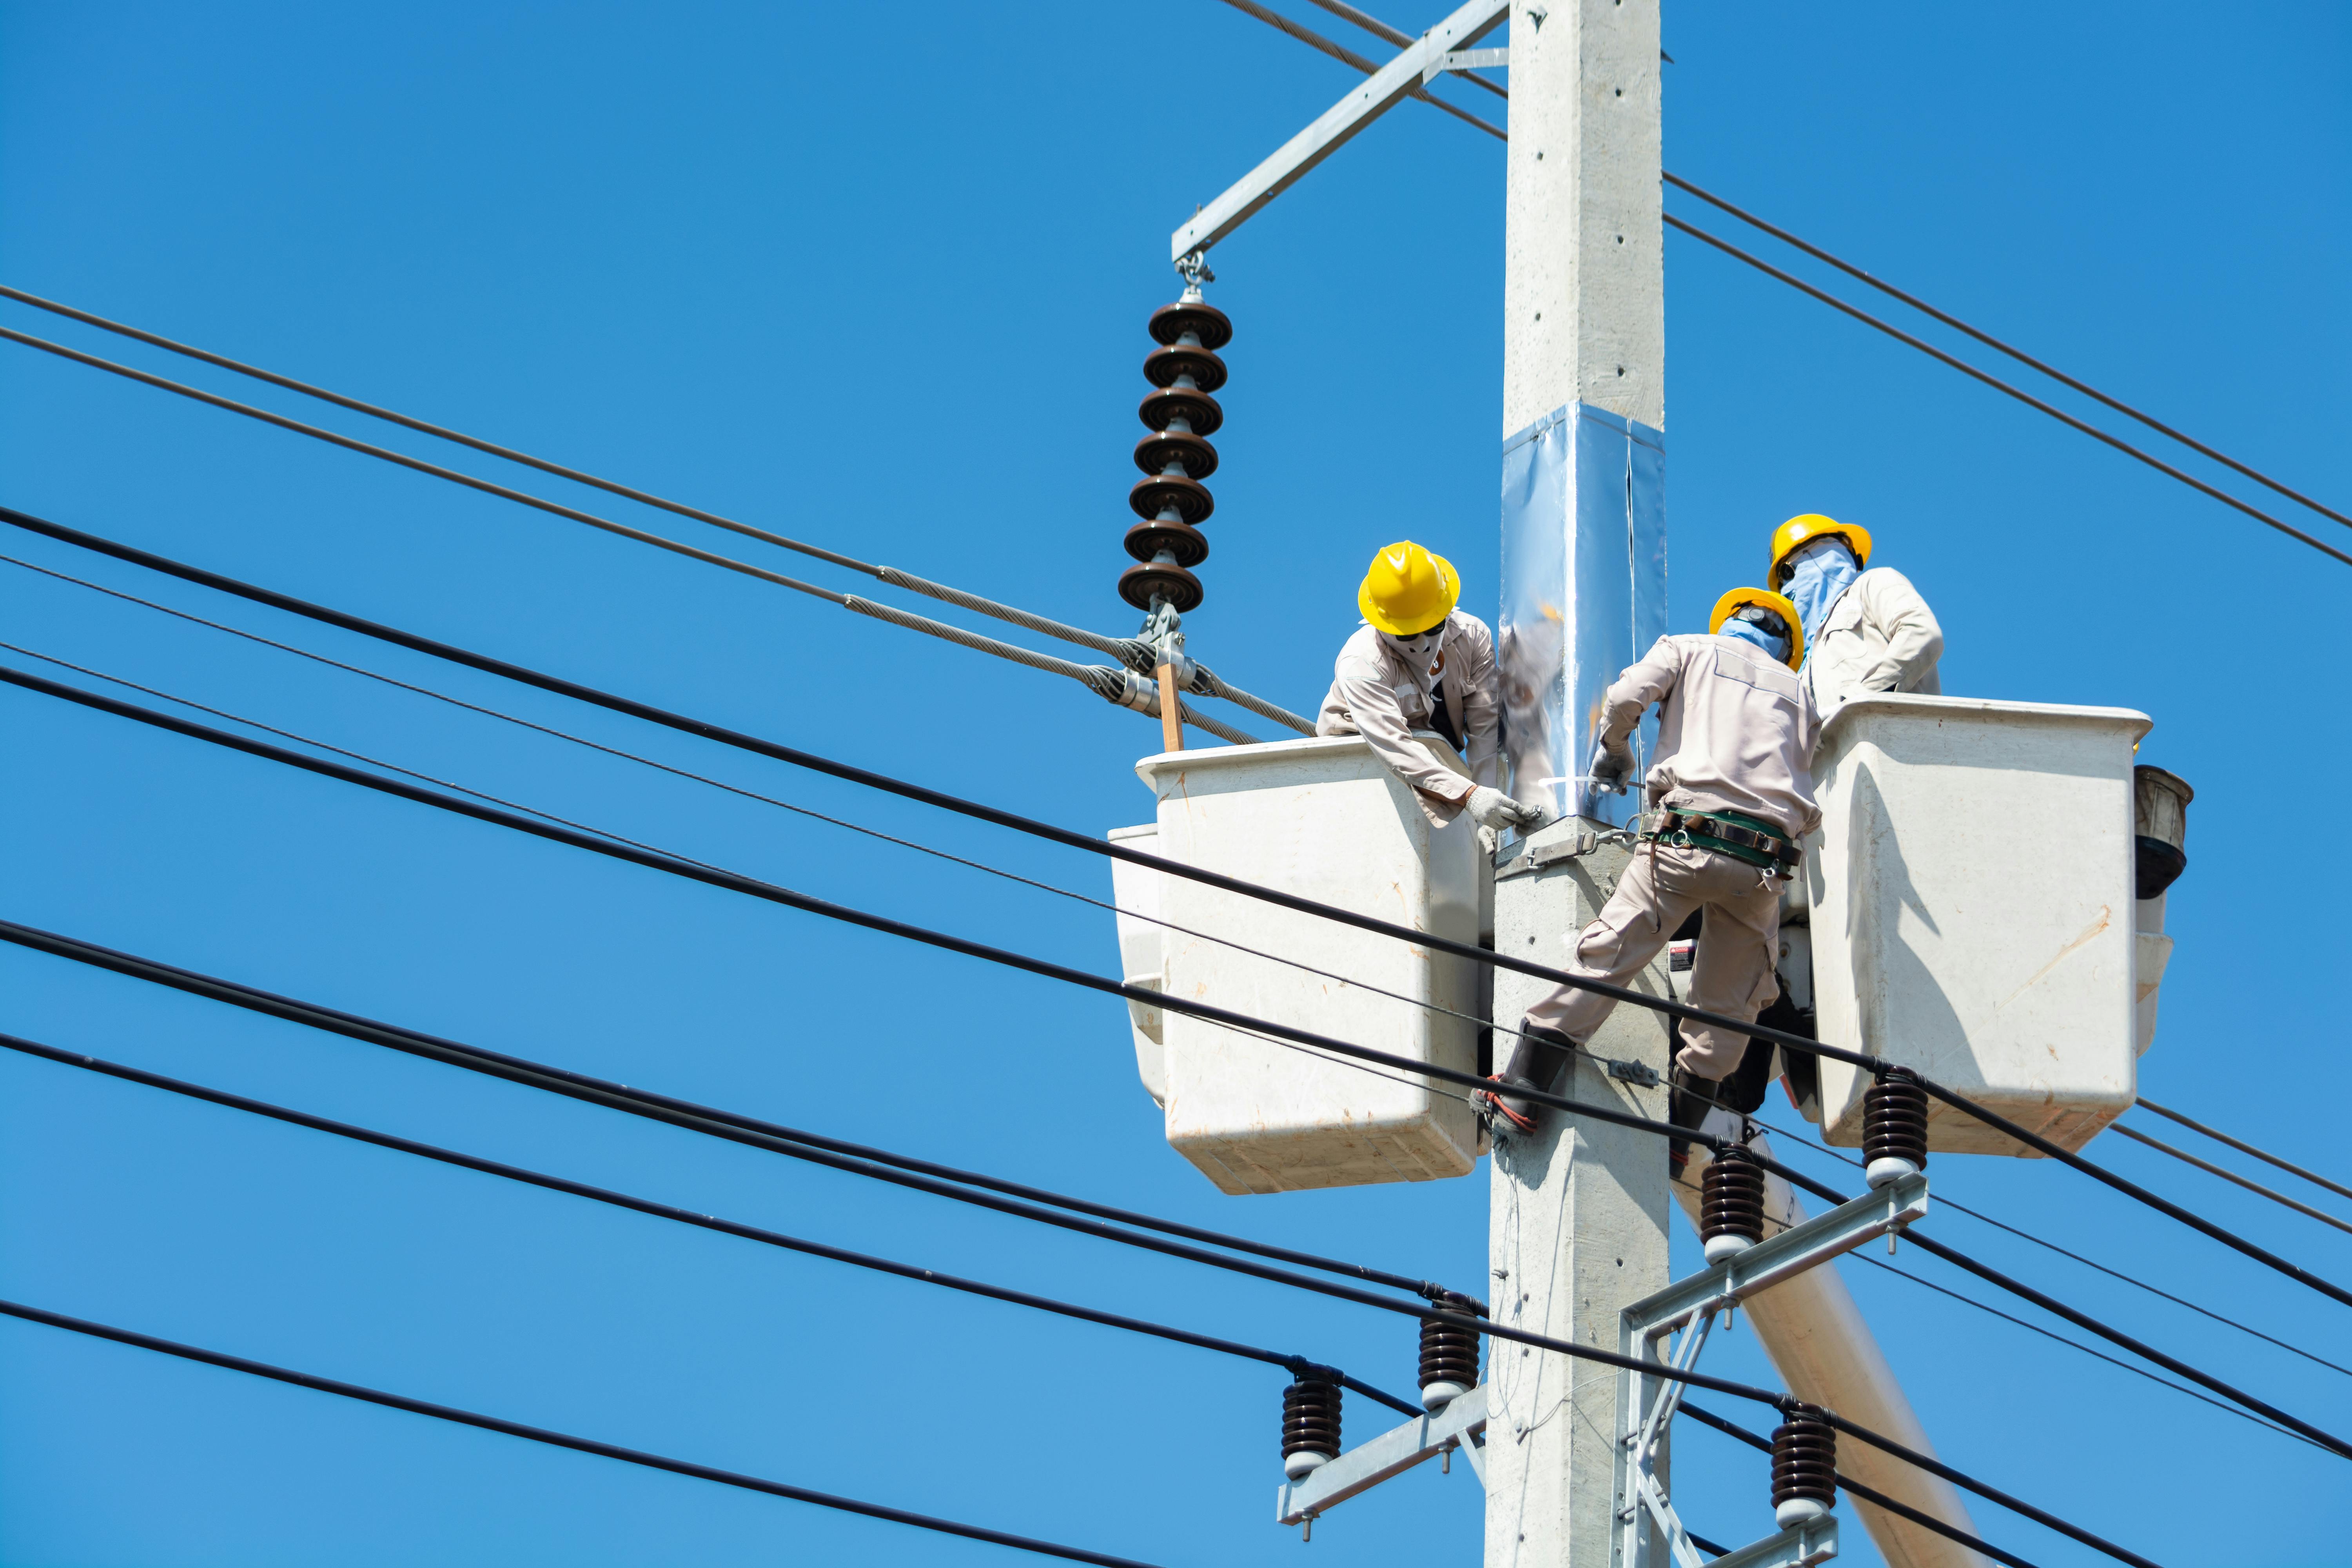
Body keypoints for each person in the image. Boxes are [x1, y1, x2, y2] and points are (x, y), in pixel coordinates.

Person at [1481, 587, 1819, 1136]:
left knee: (1609, 956)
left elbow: (1624, 698)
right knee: (1727, 1010)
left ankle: (1522, 1090)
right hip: (1763, 865)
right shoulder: (1800, 693)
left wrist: (1616, 750)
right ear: (1788, 647)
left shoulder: (1688, 649)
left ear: (1728, 621)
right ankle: (1682, 1138)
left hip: (1687, 840)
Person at [1316, 541, 1544, 839]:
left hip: (1437, 760)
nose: (1423, 643)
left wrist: (1485, 801)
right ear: (1382, 624)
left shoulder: (1472, 638)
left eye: (1433, 626)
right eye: (1408, 633)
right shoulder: (1362, 663)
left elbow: (1484, 726)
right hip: (1363, 760)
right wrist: (1470, 795)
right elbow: (1392, 744)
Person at [1768, 514, 1942, 710]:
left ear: (1823, 555)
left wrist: (1864, 698)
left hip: (1903, 734)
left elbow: (1921, 634)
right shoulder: (1802, 666)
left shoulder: (1872, 585)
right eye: (1781, 584)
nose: (1786, 590)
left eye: (1788, 573)